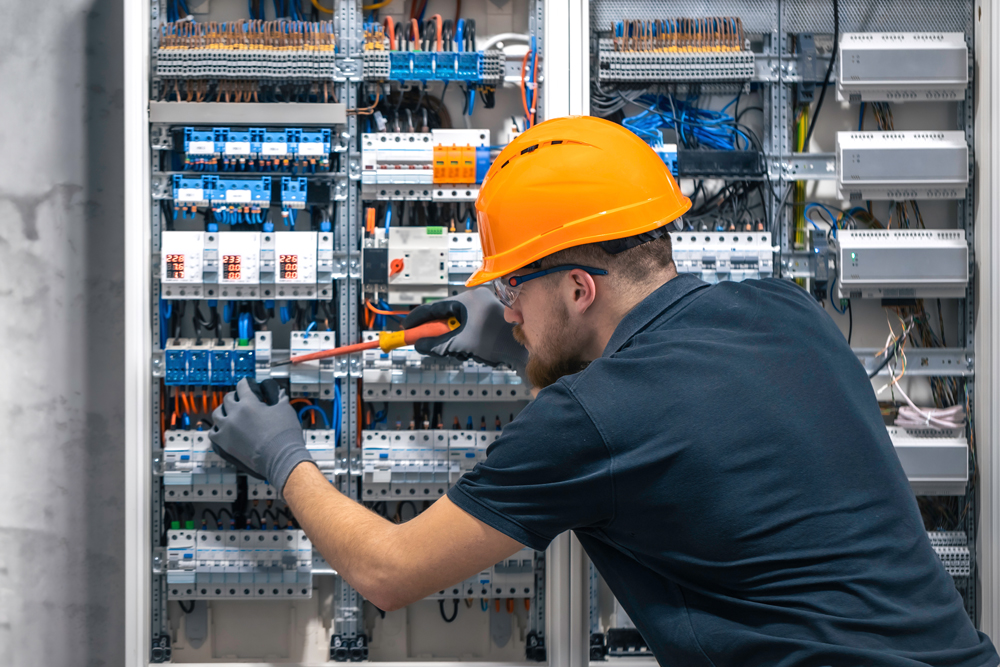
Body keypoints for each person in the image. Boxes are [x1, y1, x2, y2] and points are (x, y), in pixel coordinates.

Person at [209, 116, 998, 666]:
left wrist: (282, 457)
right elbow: (671, 412)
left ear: (579, 288)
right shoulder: (786, 309)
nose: (505, 308)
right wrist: (526, 345)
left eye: (513, 288)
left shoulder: (587, 418)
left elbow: (388, 569)